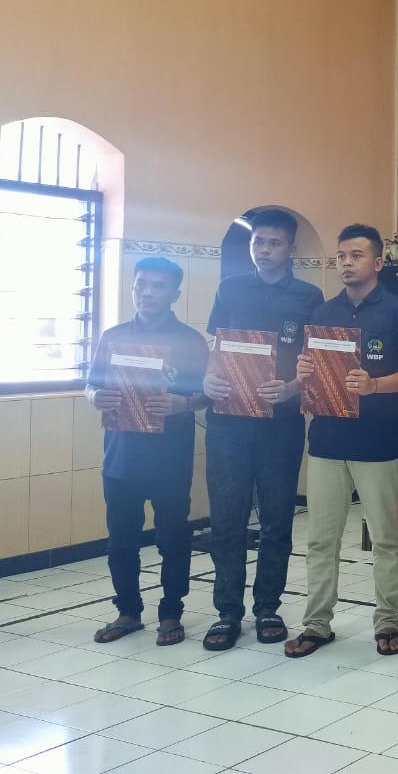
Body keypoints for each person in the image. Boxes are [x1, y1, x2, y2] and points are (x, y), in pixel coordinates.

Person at [285, 224, 398, 658]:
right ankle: (316, 624)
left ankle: (387, 622)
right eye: (342, 256)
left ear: (378, 262)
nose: (347, 263)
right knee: (321, 540)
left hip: (379, 442)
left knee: (385, 538)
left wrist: (375, 386)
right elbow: (311, 369)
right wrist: (304, 372)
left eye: (357, 255)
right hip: (327, 440)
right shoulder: (323, 312)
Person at [200, 207, 324, 651]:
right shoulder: (229, 288)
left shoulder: (309, 296)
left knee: (276, 520)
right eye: (258, 242)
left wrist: (291, 387)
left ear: (291, 248)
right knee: (227, 519)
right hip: (228, 422)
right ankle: (227, 611)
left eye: (274, 243)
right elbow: (215, 346)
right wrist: (207, 378)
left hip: (281, 423)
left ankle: (268, 606)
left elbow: (317, 361)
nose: (264, 250)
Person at [86, 257, 207, 647]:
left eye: (158, 286)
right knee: (121, 540)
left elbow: (207, 394)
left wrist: (183, 403)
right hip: (121, 458)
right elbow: (90, 384)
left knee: (173, 539)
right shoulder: (114, 336)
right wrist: (94, 396)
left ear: (174, 293)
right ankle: (128, 611)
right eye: (141, 284)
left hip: (170, 460)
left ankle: (171, 613)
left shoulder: (190, 341)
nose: (147, 293)